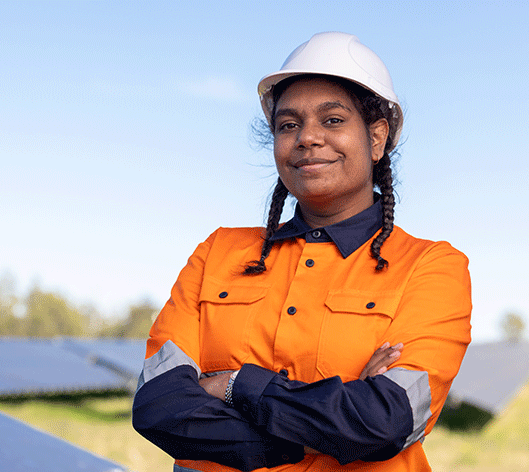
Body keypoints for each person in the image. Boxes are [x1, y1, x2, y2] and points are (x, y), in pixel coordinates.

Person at [132, 32, 471, 472]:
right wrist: (323, 429)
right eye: (288, 124)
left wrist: (237, 385)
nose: (308, 138)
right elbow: (160, 405)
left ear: (376, 137)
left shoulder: (431, 268)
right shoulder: (217, 252)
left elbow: (386, 421)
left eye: (332, 120)